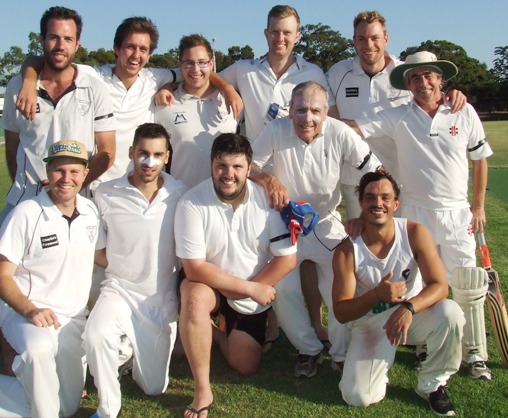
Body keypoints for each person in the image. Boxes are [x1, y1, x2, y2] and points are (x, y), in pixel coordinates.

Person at [345, 51, 493, 380]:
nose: (422, 82)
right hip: (413, 211)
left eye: (429, 76)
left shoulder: (463, 110)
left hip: (456, 212)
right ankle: (426, 339)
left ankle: (475, 352)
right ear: (407, 84)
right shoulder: (398, 115)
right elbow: (355, 126)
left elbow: (480, 159)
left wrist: (478, 206)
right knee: (416, 282)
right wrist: (309, 117)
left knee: (466, 281)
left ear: (441, 79)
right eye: (415, 77)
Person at [250, 81, 381, 377]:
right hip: (285, 221)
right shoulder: (277, 129)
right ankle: (308, 349)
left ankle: (340, 351)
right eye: (300, 110)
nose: (306, 118)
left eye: (314, 111)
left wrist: (362, 214)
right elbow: (249, 165)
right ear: (290, 110)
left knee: (343, 280)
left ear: (325, 112)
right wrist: (268, 180)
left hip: (324, 220)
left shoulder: (339, 131)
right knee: (280, 288)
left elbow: (375, 171)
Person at [17, 16, 242, 185]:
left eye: (143, 49)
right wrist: (28, 80)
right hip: (96, 184)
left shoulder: (154, 77)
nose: (136, 55)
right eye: (130, 47)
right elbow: (46, 59)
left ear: (150, 55)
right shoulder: (95, 76)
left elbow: (198, 69)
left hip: (138, 184)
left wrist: (227, 88)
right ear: (116, 49)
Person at [175, 133, 297, 418]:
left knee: (246, 365)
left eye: (237, 167)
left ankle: (214, 334)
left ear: (249, 167)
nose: (228, 174)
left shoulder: (268, 200)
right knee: (193, 296)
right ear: (211, 165)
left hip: (251, 283)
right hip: (211, 283)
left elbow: (287, 259)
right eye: (221, 166)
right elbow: (194, 268)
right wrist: (247, 289)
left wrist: (249, 288)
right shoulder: (191, 202)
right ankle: (202, 389)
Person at [332, 170, 464, 417]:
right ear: (361, 203)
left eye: (385, 197)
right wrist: (376, 295)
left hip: (410, 315)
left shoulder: (414, 233)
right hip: (371, 321)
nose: (378, 203)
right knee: (358, 397)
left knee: (451, 312)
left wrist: (408, 307)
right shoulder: (347, 250)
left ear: (396, 203)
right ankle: (373, 364)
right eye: (370, 197)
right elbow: (341, 312)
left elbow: (440, 285)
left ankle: (432, 384)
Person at [83, 123, 187, 418]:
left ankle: (126, 352)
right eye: (142, 153)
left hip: (159, 302)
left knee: (153, 387)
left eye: (157, 154)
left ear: (167, 156)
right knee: (96, 335)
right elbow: (97, 249)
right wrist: (122, 264)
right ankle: (107, 408)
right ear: (131, 153)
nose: (149, 162)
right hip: (118, 289)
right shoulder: (105, 192)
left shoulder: (181, 194)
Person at [326, 10, 466, 219]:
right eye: (362, 38)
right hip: (355, 176)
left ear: (386, 39)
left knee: (401, 244)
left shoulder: (405, 72)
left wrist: (452, 94)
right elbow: (326, 113)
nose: (368, 45)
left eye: (375, 38)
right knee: (362, 244)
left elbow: (429, 95)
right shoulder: (338, 72)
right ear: (354, 41)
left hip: (401, 177)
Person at [0, 140, 100, 418]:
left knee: (66, 408)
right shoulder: (26, 213)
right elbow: (2, 275)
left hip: (72, 319)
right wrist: (30, 310)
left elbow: (102, 256)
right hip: (26, 313)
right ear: (48, 172)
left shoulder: (91, 211)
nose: (66, 179)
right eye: (58, 171)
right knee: (39, 350)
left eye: (73, 171)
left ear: (85, 173)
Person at [0, 6, 116, 225]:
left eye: (68, 39)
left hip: (76, 205)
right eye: (53, 38)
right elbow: (13, 145)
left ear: (77, 44)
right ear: (42, 39)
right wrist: (23, 185)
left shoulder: (94, 88)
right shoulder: (17, 86)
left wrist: (71, 185)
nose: (61, 46)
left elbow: (107, 150)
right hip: (24, 203)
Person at [155, 34, 239, 188]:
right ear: (180, 65)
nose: (195, 69)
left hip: (224, 199)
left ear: (211, 64)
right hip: (180, 200)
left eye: (202, 63)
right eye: (189, 63)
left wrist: (227, 88)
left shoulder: (233, 101)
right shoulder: (163, 106)